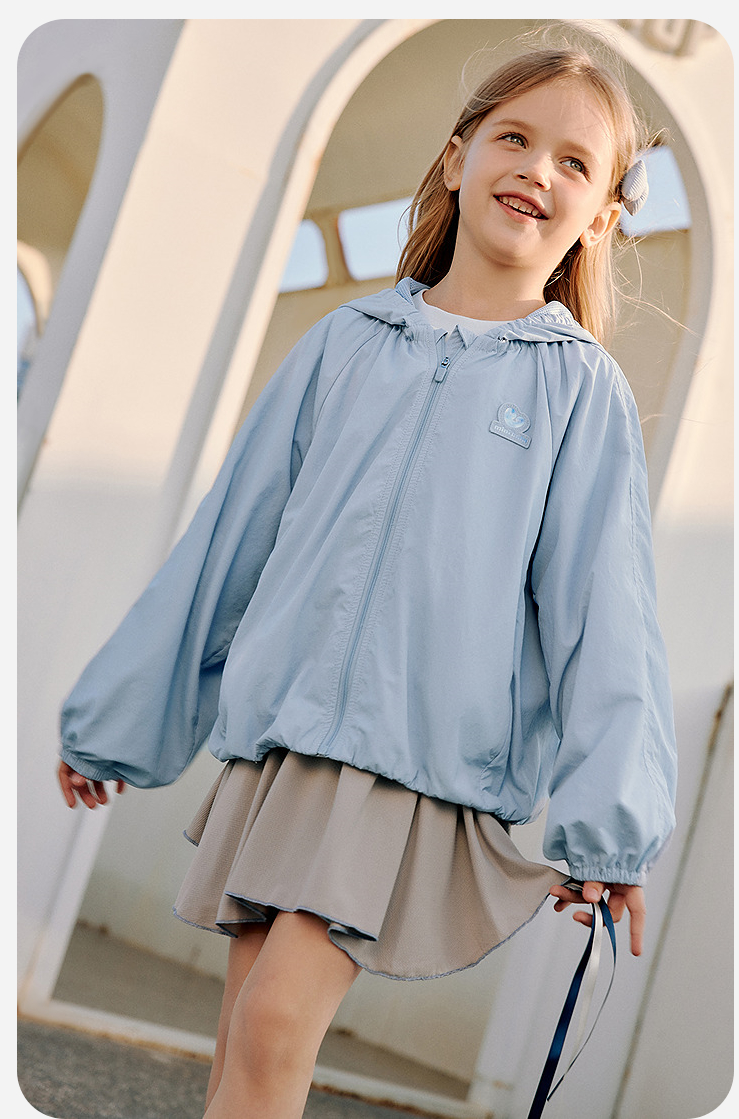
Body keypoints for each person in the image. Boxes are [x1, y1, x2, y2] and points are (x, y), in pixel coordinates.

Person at [57, 43, 677, 1119]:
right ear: (456, 159)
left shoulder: (580, 392)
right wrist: (116, 721)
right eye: (515, 138)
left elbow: (607, 617)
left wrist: (610, 824)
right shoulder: (342, 343)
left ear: (603, 216)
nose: (537, 170)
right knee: (241, 1044)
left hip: (408, 767)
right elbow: (225, 546)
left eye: (576, 162)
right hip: (286, 748)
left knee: (271, 1029)